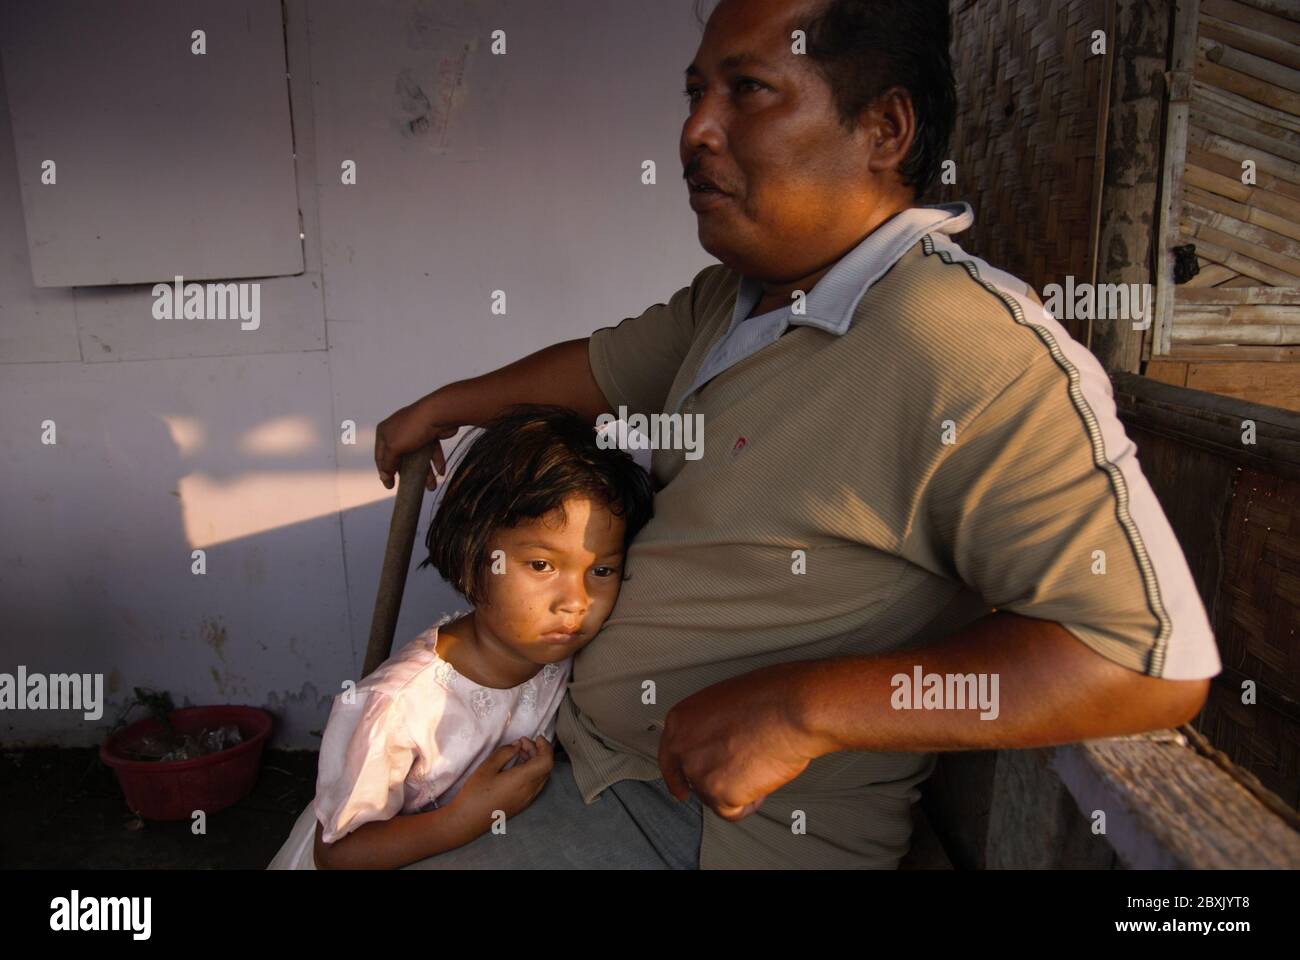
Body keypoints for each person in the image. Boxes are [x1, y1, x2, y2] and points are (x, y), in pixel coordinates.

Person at [374, 0, 1221, 869]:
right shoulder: (737, 296)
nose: (695, 130)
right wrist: (441, 409)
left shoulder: (967, 346)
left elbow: (1145, 661)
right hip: (581, 751)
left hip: (707, 828)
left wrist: (802, 707)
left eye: (748, 90)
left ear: (884, 130)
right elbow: (598, 368)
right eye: (697, 92)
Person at [269, 405, 653, 869]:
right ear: (473, 555)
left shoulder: (562, 653)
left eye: (602, 570)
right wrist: (464, 818)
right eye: (541, 565)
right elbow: (338, 855)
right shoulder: (396, 707)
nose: (575, 601)